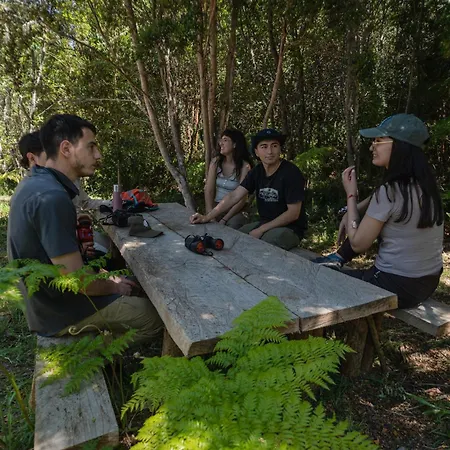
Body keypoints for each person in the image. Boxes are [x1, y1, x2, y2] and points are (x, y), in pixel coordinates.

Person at [7, 114, 163, 342]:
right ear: (66, 148)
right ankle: (93, 349)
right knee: (155, 319)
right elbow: (78, 281)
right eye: (91, 146)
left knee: (132, 282)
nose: (98, 155)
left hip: (47, 301)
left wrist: (110, 279)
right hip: (60, 311)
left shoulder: (36, 182)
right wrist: (114, 287)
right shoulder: (52, 197)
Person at [315, 113, 444, 308]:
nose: (372, 147)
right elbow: (375, 201)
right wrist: (351, 211)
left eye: (378, 140)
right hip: (427, 282)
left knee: (318, 277)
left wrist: (351, 195)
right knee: (369, 222)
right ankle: (338, 258)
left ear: (399, 145)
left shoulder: (390, 191)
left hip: (394, 284)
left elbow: (358, 244)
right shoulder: (426, 186)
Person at [191, 128, 307, 250]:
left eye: (274, 146)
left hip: (290, 228)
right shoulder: (257, 171)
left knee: (260, 245)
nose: (270, 151)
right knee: (234, 238)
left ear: (280, 149)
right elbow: (234, 196)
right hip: (265, 222)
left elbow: (293, 214)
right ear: (256, 152)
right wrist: (207, 217)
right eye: (264, 147)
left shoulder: (291, 173)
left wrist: (261, 230)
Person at [17, 130, 110, 258]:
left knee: (109, 245)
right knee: (108, 252)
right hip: (55, 257)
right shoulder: (45, 194)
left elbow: (84, 203)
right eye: (49, 154)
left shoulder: (62, 180)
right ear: (32, 158)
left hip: (71, 241)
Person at [204, 129, 252, 229]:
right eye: (221, 140)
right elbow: (209, 190)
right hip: (217, 207)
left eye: (225, 140)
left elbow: (242, 199)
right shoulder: (216, 162)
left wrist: (224, 219)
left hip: (236, 210)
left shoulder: (245, 166)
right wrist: (210, 214)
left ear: (235, 144)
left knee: (232, 226)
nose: (221, 143)